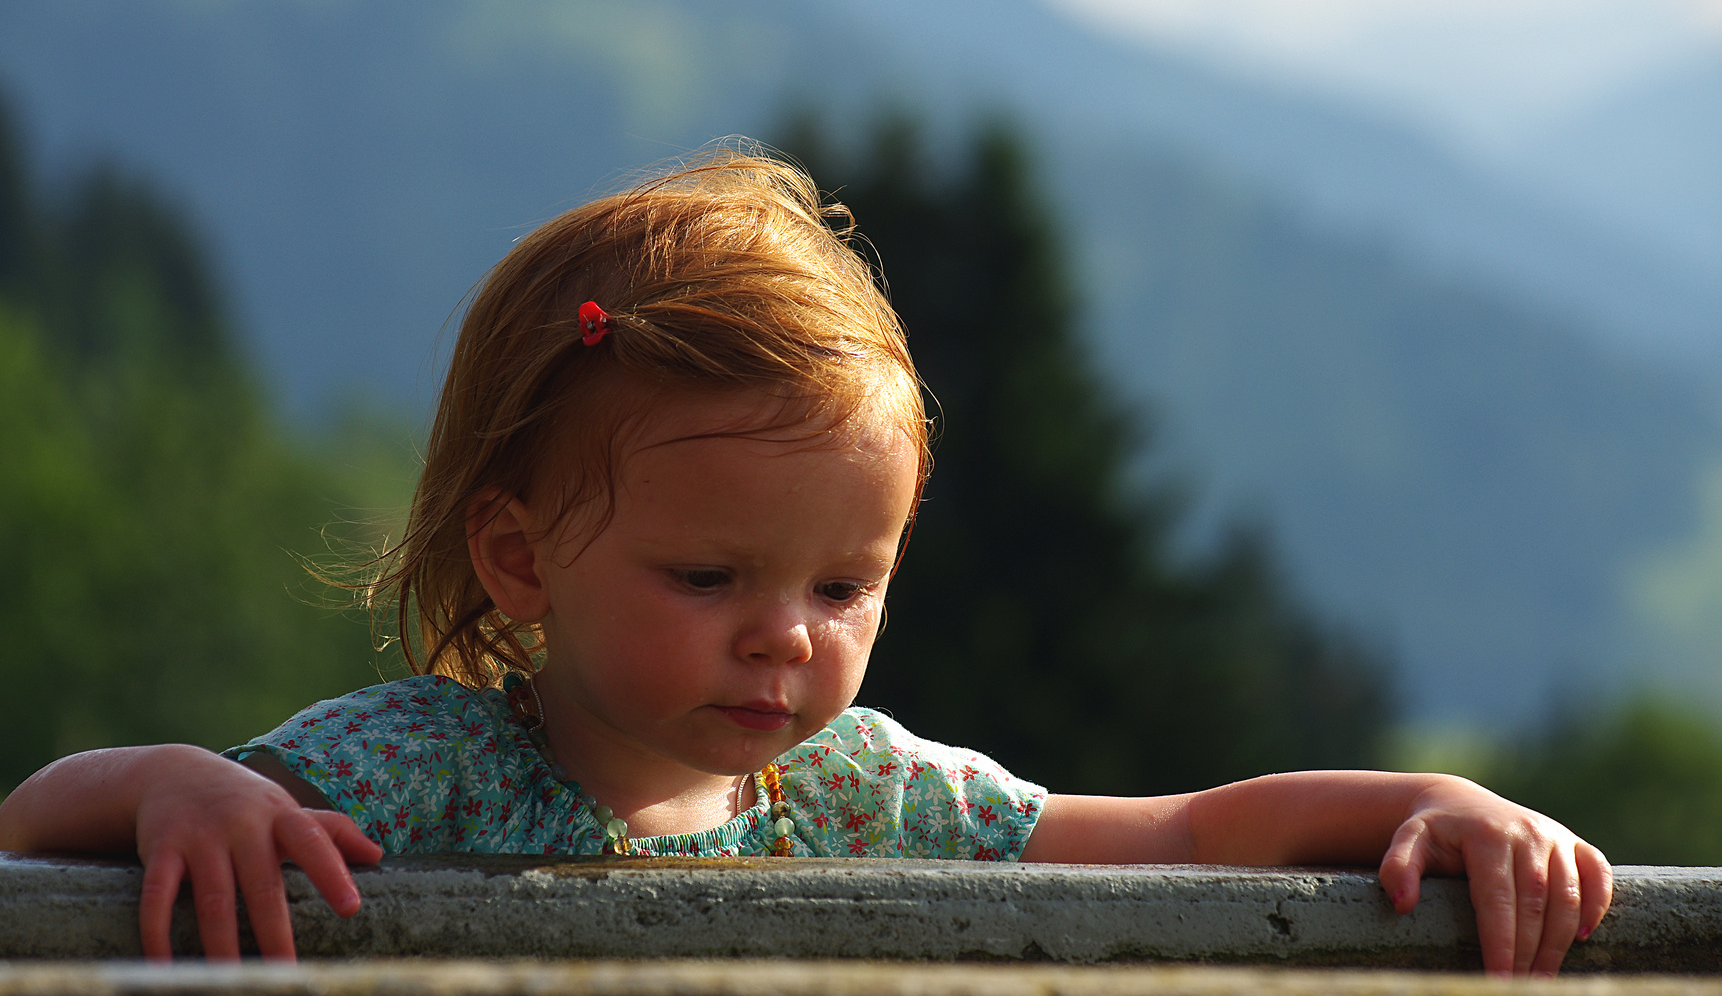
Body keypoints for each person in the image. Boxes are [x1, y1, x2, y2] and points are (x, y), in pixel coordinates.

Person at [0, 150, 1610, 974]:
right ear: (516, 557)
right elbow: (33, 840)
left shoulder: (859, 791)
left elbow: (1177, 834)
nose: (785, 641)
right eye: (706, 581)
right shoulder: (410, 769)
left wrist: (1424, 806)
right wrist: (168, 786)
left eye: (842, 589)